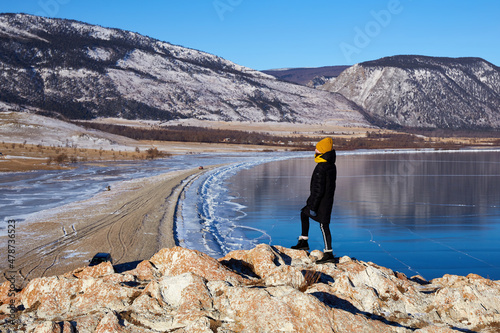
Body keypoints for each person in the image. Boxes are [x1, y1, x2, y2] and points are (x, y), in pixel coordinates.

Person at [291, 137, 337, 264]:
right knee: (304, 213)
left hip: (321, 202)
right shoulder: (330, 164)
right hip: (325, 200)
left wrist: (313, 206)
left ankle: (329, 253)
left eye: (317, 148)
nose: (314, 149)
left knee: (323, 225)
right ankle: (303, 241)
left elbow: (318, 189)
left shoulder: (322, 167)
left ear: (322, 151)